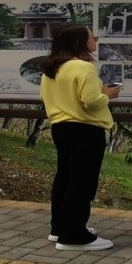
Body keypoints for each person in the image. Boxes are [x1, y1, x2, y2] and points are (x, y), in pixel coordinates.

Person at [40, 24, 120, 251]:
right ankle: (74, 236)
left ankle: (59, 228)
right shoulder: (84, 67)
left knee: (65, 179)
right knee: (82, 182)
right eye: (91, 36)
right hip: (85, 130)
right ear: (80, 42)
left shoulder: (52, 67)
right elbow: (91, 101)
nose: (95, 39)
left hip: (61, 127)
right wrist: (108, 95)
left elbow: (45, 96)